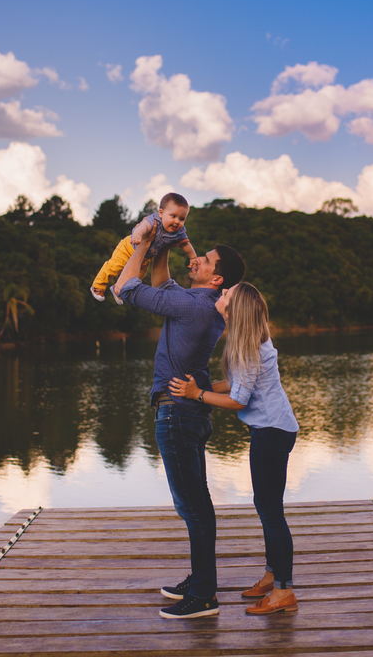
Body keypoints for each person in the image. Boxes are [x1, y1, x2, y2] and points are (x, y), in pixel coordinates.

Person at [115, 224, 246, 619]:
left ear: (216, 277)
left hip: (176, 413)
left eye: (205, 261)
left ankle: (205, 594)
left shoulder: (193, 307)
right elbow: (164, 282)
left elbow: (126, 287)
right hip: (188, 412)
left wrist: (143, 244)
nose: (198, 260)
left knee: (192, 506)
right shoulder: (201, 303)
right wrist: (166, 249)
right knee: (196, 503)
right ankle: (201, 579)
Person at [169, 282, 300, 615]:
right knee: (267, 506)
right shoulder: (250, 341)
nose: (223, 291)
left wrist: (195, 395)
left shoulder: (250, 347)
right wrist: (204, 387)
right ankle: (273, 576)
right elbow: (239, 383)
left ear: (233, 309)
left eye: (227, 293)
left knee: (271, 512)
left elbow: (237, 398)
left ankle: (284, 591)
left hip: (272, 432)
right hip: (274, 429)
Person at [90, 192, 197, 303]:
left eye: (181, 219)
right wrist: (137, 234)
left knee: (138, 277)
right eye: (173, 216)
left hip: (145, 258)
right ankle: (98, 285)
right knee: (114, 266)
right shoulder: (154, 221)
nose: (177, 222)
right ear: (161, 213)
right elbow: (143, 227)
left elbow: (185, 244)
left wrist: (193, 257)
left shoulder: (179, 232)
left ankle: (118, 289)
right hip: (128, 248)